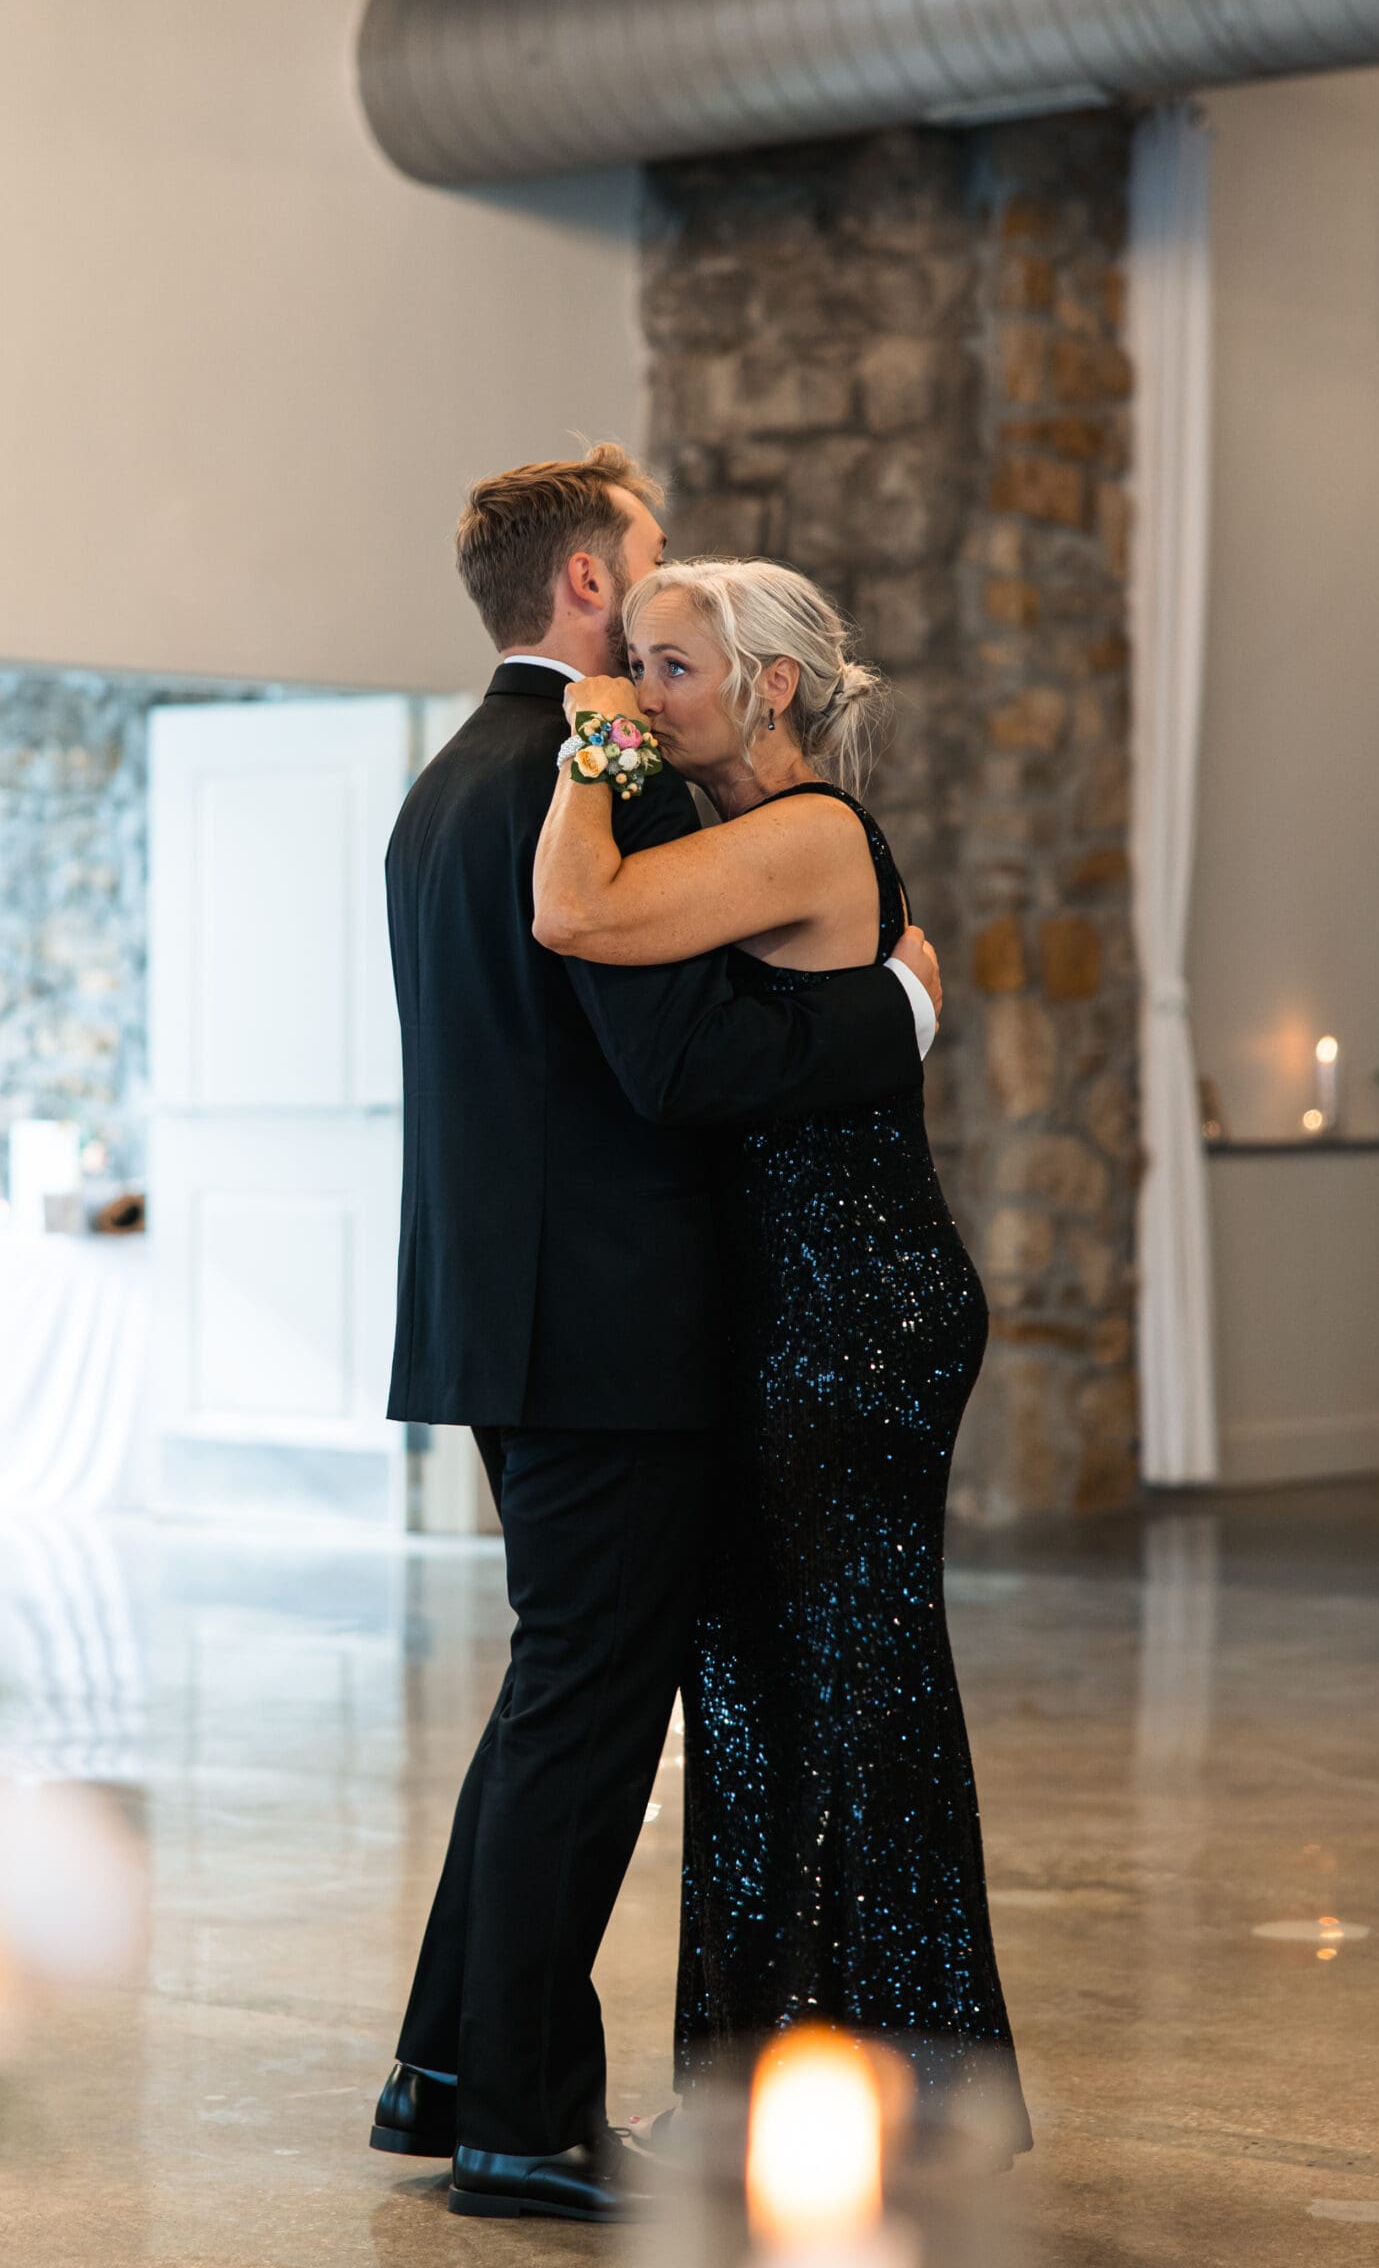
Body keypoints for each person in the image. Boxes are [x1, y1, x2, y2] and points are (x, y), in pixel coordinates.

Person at [369, 449, 943, 2224]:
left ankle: (447, 2068)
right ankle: (524, 2128)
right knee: (588, 1722)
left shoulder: (446, 782)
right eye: (651, 558)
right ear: (594, 595)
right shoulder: (589, 781)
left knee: (554, 1693)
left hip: (499, 1308)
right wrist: (896, 1013)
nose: (667, 577)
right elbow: (671, 1061)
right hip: (613, 1333)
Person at [532, 555, 1032, 2157]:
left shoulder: (804, 834)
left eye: (669, 668)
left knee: (841, 1688)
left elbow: (572, 909)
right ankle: (763, 2084)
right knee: (753, 1693)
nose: (639, 692)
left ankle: (868, 2094)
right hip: (787, 1312)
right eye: (633, 664)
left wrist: (582, 749)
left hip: (853, 1313)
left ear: (772, 689)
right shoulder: (756, 843)